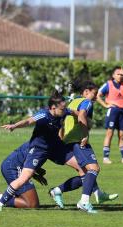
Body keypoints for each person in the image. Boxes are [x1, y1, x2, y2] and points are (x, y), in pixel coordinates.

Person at [0, 90, 83, 212]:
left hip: (55, 147)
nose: (64, 110)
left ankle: (71, 195)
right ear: (53, 108)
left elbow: (77, 112)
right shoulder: (43, 115)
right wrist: (14, 126)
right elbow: (28, 121)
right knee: (28, 192)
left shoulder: (64, 111)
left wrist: (83, 120)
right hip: (38, 151)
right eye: (62, 108)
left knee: (85, 168)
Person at [48, 79, 118, 213]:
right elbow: (82, 115)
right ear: (86, 92)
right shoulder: (86, 102)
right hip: (78, 140)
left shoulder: (72, 102)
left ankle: (58, 191)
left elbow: (62, 123)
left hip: (67, 142)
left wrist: (61, 138)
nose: (96, 97)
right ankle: (84, 202)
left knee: (85, 175)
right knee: (94, 169)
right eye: (94, 93)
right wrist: (85, 134)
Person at [0, 142, 48, 208]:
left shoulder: (44, 139)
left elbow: (29, 156)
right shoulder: (45, 141)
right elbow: (30, 156)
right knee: (32, 204)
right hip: (13, 166)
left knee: (29, 201)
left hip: (14, 164)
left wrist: (34, 173)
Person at [96, 66, 123, 164]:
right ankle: (105, 158)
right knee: (109, 133)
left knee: (122, 135)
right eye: (118, 74)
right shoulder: (108, 84)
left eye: (121, 74)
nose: (120, 76)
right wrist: (105, 105)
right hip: (113, 111)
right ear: (113, 75)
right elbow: (97, 95)